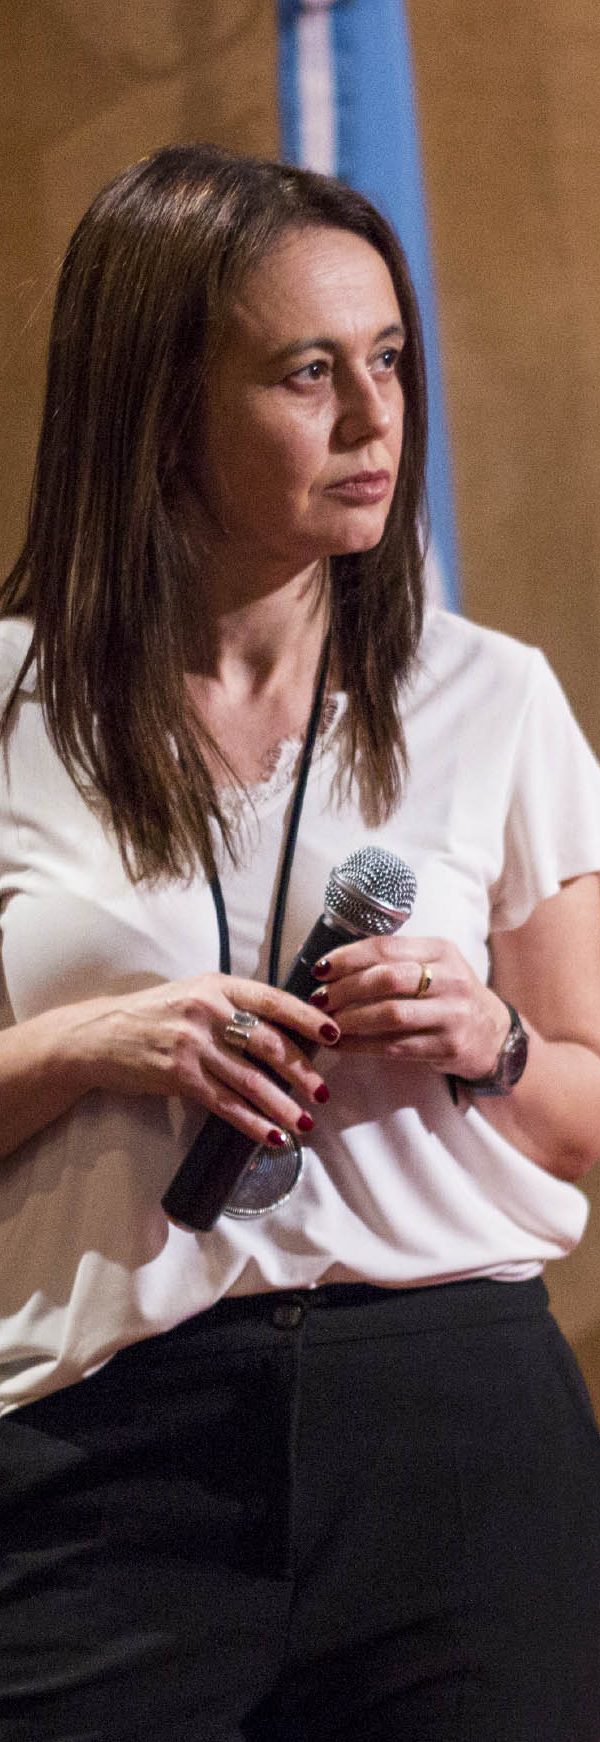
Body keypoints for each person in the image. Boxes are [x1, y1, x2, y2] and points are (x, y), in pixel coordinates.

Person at [0, 143, 599, 1742]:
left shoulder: (494, 696)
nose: (375, 420)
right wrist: (90, 1045)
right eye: (308, 373)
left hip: (456, 1434)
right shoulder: (12, 705)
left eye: (389, 360)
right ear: (161, 407)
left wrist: (493, 1041)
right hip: (107, 1455)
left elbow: (584, 1110)